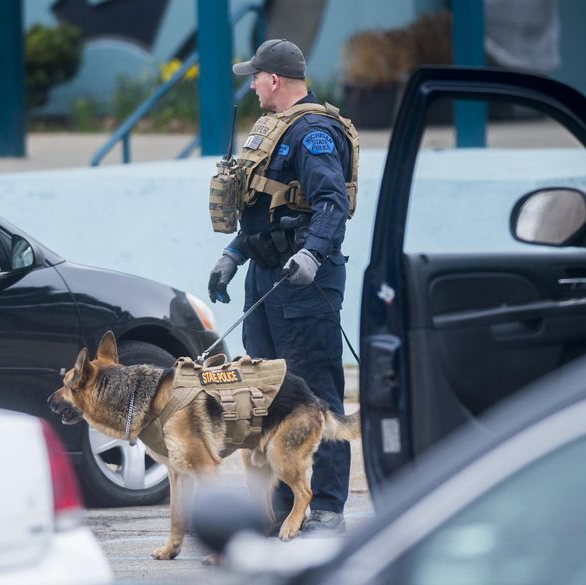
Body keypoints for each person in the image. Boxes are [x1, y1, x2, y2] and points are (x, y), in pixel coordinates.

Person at [207, 39, 358, 536]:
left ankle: (329, 510)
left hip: (304, 284)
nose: (251, 84)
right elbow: (262, 210)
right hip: (267, 278)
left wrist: (313, 254)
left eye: (255, 76)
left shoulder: (314, 132)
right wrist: (233, 255)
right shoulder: (272, 130)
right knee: (265, 394)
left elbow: (331, 203)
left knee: (316, 393)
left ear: (275, 79)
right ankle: (278, 509)